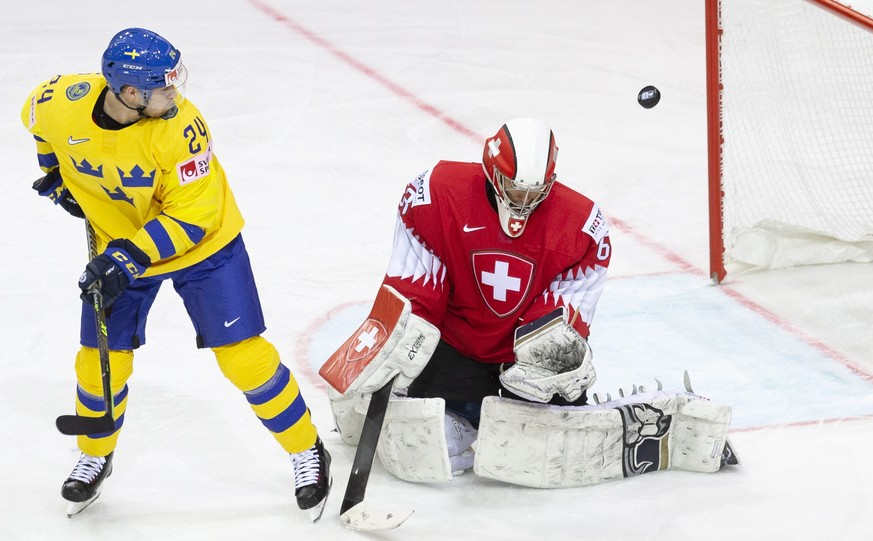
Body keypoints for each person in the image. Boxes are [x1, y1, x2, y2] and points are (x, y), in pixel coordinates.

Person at [22, 28, 330, 516]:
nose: (175, 93)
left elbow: (192, 216)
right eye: (162, 86)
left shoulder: (182, 128)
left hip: (204, 249)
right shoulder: (62, 99)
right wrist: (56, 173)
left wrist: (123, 258)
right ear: (127, 92)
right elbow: (38, 122)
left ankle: (306, 448)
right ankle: (94, 454)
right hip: (118, 244)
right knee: (99, 361)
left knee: (243, 359)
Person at [321, 117, 612, 476]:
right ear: (493, 171)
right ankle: (431, 406)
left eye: (535, 192)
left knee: (543, 427)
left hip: (521, 360)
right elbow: (415, 286)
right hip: (457, 347)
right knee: (429, 446)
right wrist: (406, 332)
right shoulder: (438, 193)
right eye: (515, 188)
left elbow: (571, 303)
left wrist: (550, 348)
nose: (523, 202)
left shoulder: (583, 225)